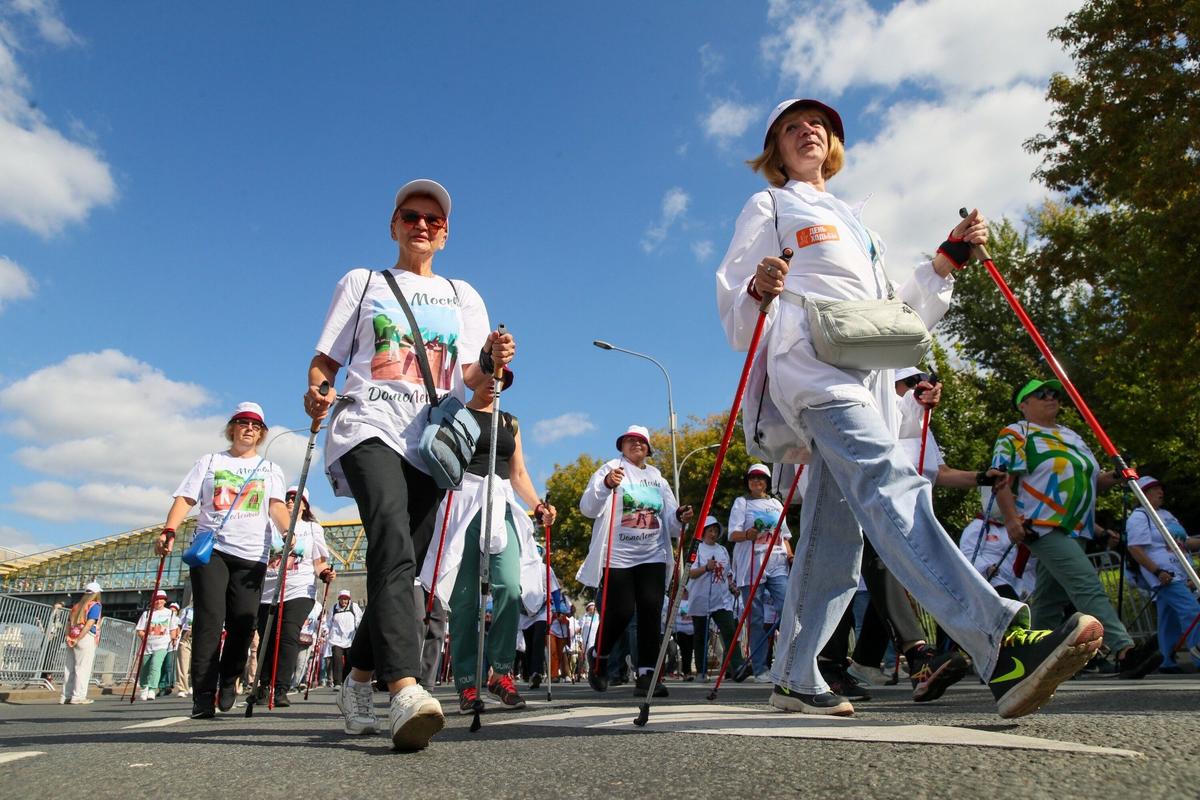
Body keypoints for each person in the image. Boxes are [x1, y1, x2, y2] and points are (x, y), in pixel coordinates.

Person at [716, 97, 1105, 719]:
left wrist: (946, 259)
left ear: (833, 143)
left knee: (834, 537)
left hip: (869, 378)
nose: (807, 131)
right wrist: (757, 289)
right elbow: (737, 300)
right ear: (775, 151)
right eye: (791, 128)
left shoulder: (859, 224)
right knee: (890, 483)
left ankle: (793, 671)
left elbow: (895, 313)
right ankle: (997, 639)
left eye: (818, 124)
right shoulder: (772, 204)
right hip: (811, 373)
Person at [305, 178, 512, 750]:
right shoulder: (364, 282)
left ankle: (358, 677)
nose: (422, 225)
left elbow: (470, 378)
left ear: (445, 235)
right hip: (367, 426)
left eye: (434, 220)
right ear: (394, 225)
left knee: (403, 566)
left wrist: (492, 364)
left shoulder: (463, 295)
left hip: (432, 440)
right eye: (411, 216)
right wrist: (319, 390)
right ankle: (403, 689)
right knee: (391, 542)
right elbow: (326, 359)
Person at [992, 378, 1161, 679]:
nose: (1050, 397)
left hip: (1077, 526)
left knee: (1048, 600)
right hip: (1042, 525)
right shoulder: (1016, 433)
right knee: (1085, 583)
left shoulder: (1072, 436)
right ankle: (1123, 649)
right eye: (1040, 394)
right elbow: (1000, 478)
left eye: (1054, 393)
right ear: (1023, 404)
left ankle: (1029, 661)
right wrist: (1010, 519)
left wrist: (1115, 477)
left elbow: (1090, 481)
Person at [418, 369, 557, 714]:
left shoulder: (510, 422)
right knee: (465, 601)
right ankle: (466, 682)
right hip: (464, 500)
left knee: (509, 586)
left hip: (501, 501)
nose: (495, 385)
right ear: (474, 379)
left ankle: (501, 673)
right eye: (489, 378)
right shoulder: (455, 413)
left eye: (503, 380)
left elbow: (518, 472)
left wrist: (538, 506)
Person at [157, 401, 291, 718]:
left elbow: (276, 507)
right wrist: (169, 529)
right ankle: (202, 694)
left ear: (262, 434)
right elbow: (186, 498)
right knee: (208, 622)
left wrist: (288, 531)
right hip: (212, 550)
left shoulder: (271, 469)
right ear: (231, 428)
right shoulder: (210, 462)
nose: (249, 428)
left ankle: (228, 679)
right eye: (243, 422)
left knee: (244, 624)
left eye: (256, 425)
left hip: (251, 555)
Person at [577, 425, 693, 698]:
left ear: (649, 448)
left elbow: (671, 524)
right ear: (621, 446)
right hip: (619, 556)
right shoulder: (610, 469)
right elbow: (587, 508)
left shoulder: (657, 478)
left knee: (651, 610)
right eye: (629, 441)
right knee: (622, 611)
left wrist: (680, 516)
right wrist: (606, 485)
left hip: (652, 554)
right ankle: (600, 656)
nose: (635, 444)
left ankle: (646, 674)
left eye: (641, 441)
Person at [253, 485, 336, 707]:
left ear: (305, 505)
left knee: (289, 635)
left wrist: (325, 573)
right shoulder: (269, 525)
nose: (291, 501)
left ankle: (281, 688)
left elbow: (319, 562)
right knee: (267, 639)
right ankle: (263, 685)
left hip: (299, 588)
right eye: (287, 498)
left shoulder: (311, 529)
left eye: (295, 498)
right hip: (269, 591)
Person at [1126, 476, 1200, 672]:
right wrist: (1157, 571)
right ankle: (1199, 657)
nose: (1160, 491)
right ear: (1142, 494)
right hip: (1165, 577)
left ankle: (1166, 661)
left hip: (1181, 573)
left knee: (1168, 620)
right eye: (1153, 489)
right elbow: (1135, 548)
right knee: (1193, 612)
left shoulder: (1167, 514)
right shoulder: (1139, 517)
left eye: (1160, 487)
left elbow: (1184, 542)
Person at [728, 464, 792, 682]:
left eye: (761, 478)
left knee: (787, 610)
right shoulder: (742, 502)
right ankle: (760, 668)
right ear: (748, 481)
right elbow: (733, 534)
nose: (757, 482)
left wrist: (790, 556)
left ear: (767, 481)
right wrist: (747, 534)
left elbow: (784, 535)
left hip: (777, 562)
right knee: (755, 619)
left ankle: (788, 663)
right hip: (751, 565)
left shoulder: (776, 503)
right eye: (753, 478)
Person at [687, 516, 746, 681]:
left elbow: (727, 573)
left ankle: (738, 667)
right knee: (701, 636)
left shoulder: (722, 550)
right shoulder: (696, 549)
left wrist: (732, 586)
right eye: (710, 530)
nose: (713, 534)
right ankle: (701, 671)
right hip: (700, 598)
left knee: (729, 631)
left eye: (716, 531)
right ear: (704, 531)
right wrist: (706, 568)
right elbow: (690, 573)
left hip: (721, 599)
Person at [61, 581, 102, 705]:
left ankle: (65, 696)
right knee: (82, 668)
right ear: (97, 593)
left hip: (71, 636)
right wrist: (79, 638)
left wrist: (69, 636)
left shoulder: (76, 606)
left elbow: (68, 623)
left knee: (69, 668)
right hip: (85, 637)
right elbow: (90, 623)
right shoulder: (95, 605)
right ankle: (78, 696)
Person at [135, 590, 179, 701]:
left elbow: (173, 629)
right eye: (156, 599)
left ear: (165, 601)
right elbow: (139, 630)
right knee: (145, 668)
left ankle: (152, 689)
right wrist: (144, 637)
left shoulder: (170, 613)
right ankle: (144, 688)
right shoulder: (147, 614)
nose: (158, 601)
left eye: (161, 599)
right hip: (147, 645)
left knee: (155, 665)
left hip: (162, 645)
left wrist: (173, 638)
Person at [326, 590, 361, 687]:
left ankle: (346, 681)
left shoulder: (354, 607)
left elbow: (358, 620)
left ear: (349, 599)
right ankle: (337, 682)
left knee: (350, 661)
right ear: (339, 599)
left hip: (350, 639)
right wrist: (325, 630)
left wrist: (358, 628)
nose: (344, 601)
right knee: (337, 659)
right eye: (342, 599)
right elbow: (328, 623)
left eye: (346, 599)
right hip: (336, 639)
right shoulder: (333, 608)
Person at [173, 603, 194, 698]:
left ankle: (192, 684)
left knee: (194, 664)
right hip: (186, 637)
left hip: (201, 638)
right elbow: (179, 625)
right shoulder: (186, 610)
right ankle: (182, 688)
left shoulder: (208, 608)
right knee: (182, 664)